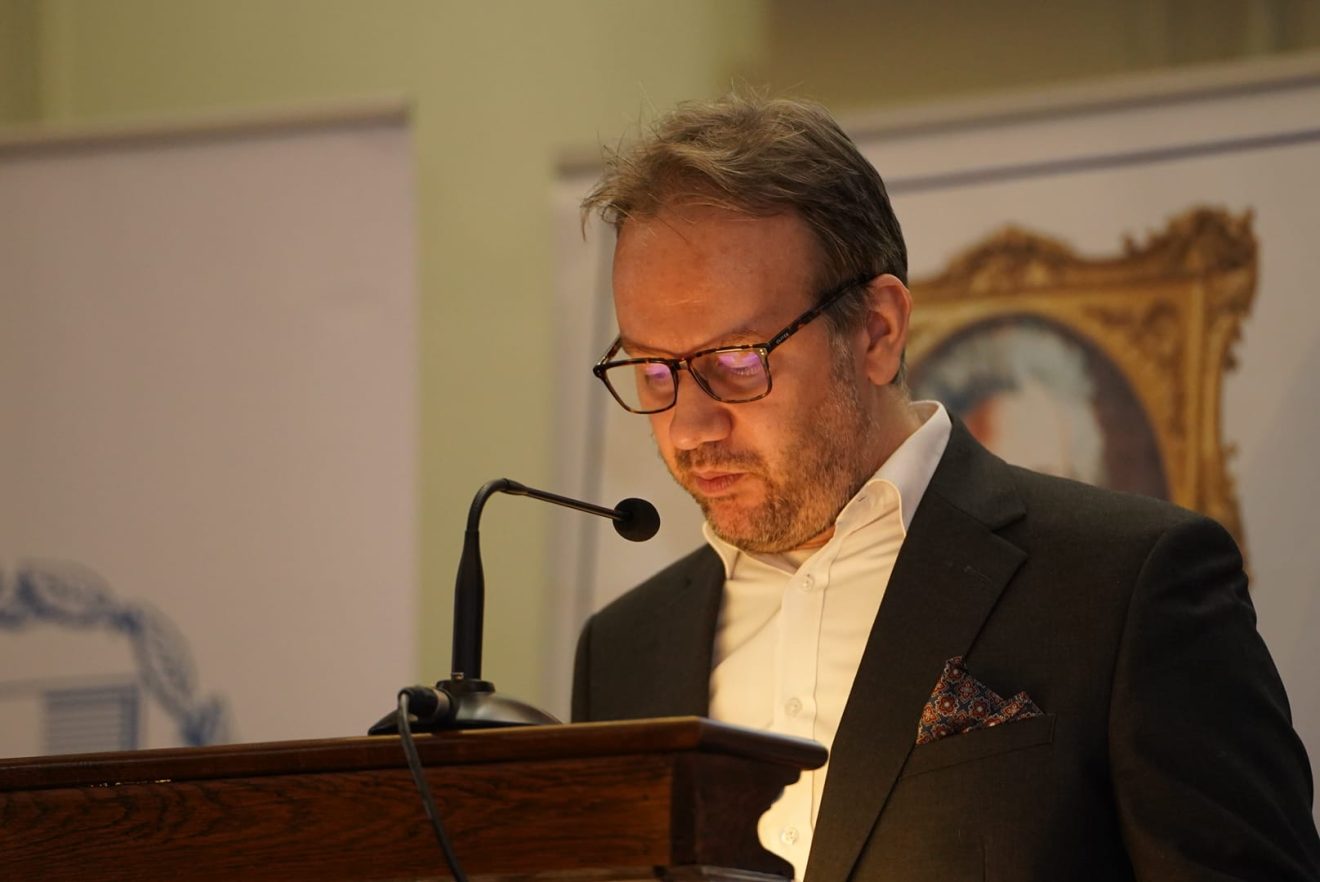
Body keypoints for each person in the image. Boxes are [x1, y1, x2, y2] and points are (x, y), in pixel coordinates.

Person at [570, 92, 1320, 882]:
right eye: (651, 369)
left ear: (877, 331)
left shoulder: (1124, 586)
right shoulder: (622, 650)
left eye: (736, 360)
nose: (689, 427)